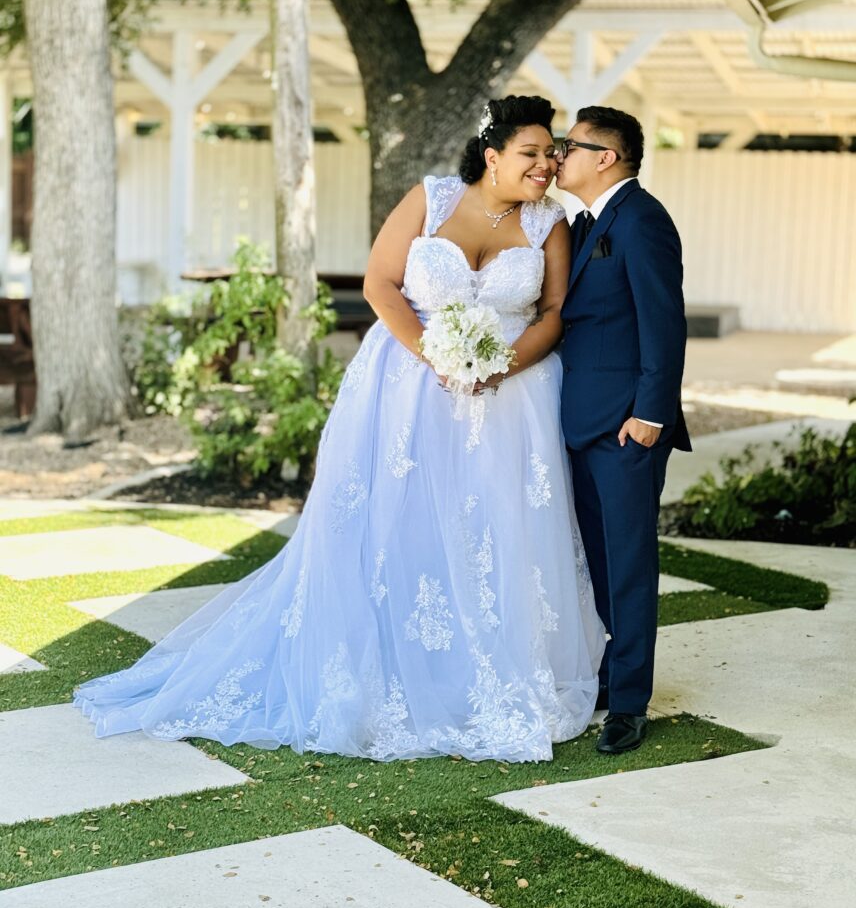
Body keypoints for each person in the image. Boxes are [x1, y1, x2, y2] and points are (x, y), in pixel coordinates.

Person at [74, 95, 605, 763]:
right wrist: (437, 355)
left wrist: (497, 367)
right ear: (492, 153)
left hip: (507, 399)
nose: (546, 165)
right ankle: (392, 664)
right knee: (397, 522)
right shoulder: (432, 199)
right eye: (531, 153)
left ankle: (485, 665)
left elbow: (553, 310)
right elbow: (381, 285)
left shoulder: (548, 220)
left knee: (495, 529)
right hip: (405, 387)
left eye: (551, 153)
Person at [555, 105, 691, 755]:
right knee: (600, 562)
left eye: (569, 146)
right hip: (579, 425)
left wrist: (649, 416)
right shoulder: (582, 225)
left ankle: (630, 702)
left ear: (605, 156)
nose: (558, 157)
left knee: (631, 564)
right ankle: (610, 675)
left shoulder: (642, 220)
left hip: (626, 429)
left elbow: (664, 323)